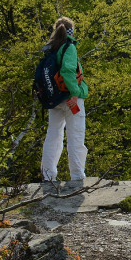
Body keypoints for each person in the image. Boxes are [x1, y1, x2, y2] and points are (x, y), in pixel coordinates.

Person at [40, 16, 89, 184]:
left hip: (54, 99)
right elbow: (68, 71)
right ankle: (77, 176)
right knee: (76, 136)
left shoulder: (51, 48)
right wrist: (74, 94)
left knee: (53, 135)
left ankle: (48, 176)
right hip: (70, 98)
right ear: (71, 31)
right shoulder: (69, 47)